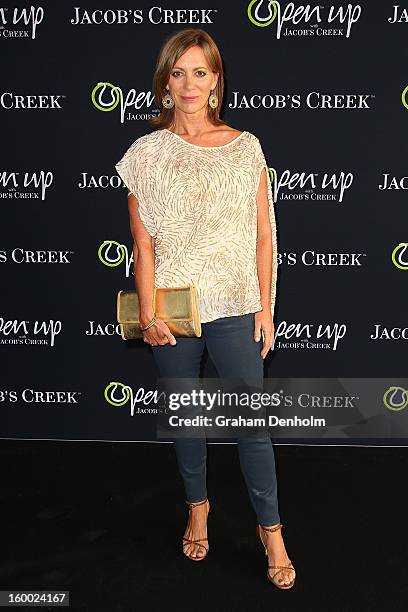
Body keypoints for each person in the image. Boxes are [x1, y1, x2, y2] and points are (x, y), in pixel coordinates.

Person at [115, 28, 296, 590]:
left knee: (252, 428)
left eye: (200, 72)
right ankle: (198, 508)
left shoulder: (247, 147)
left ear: (216, 80)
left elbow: (265, 236)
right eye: (178, 72)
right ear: (165, 83)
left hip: (236, 305)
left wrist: (266, 308)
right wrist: (149, 316)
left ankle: (273, 533)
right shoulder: (145, 153)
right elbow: (142, 245)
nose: (188, 84)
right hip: (171, 310)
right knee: (187, 422)